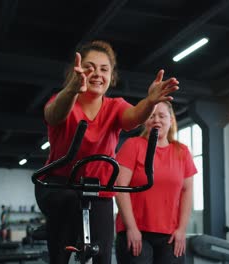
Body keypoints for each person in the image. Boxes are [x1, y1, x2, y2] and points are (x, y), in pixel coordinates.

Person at [34, 40, 179, 264]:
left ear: (112, 76)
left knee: (102, 254)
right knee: (61, 251)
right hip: (59, 186)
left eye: (104, 69)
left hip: (98, 190)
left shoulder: (115, 106)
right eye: (89, 68)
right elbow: (53, 115)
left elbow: (133, 117)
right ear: (77, 70)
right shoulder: (63, 101)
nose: (97, 74)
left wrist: (150, 101)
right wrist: (71, 89)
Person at [114, 101, 197, 264]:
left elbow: (187, 191)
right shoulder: (133, 145)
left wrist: (181, 229)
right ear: (145, 119)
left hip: (170, 235)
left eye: (162, 116)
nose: (156, 120)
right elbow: (120, 188)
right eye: (151, 116)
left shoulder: (182, 152)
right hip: (136, 231)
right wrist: (131, 228)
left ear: (171, 119)